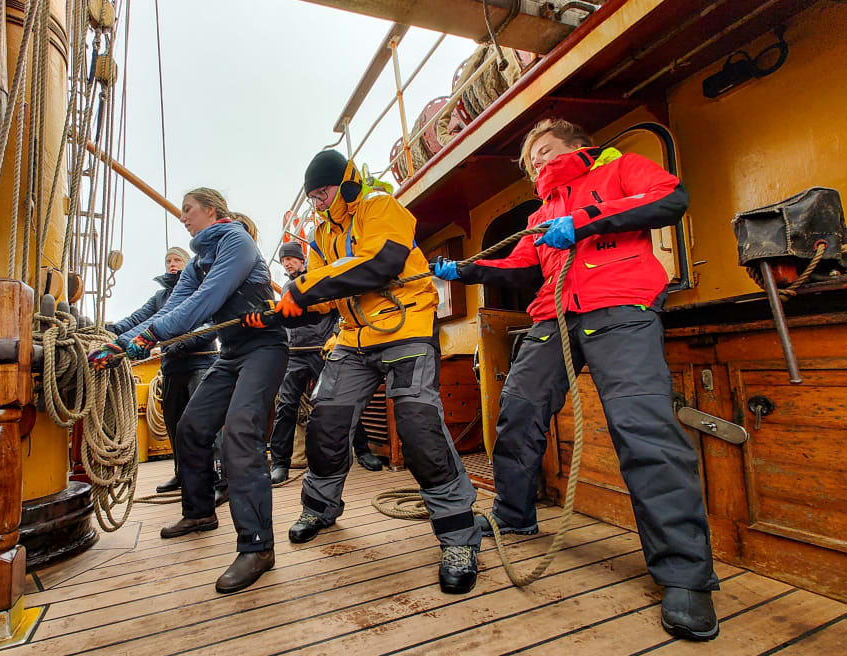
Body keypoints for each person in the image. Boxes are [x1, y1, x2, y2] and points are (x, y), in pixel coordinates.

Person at [432, 118, 719, 640]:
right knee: (516, 412)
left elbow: (670, 199)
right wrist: (465, 271)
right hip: (552, 316)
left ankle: (685, 575)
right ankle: (513, 514)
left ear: (576, 144)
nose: (537, 161)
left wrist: (586, 222)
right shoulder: (541, 214)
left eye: (543, 150)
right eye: (530, 159)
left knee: (643, 430)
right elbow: (518, 265)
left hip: (621, 308)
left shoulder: (620, 169)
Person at [249, 150, 481, 595]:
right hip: (354, 338)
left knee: (418, 429)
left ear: (347, 181)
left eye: (324, 192)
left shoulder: (380, 207)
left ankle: (458, 536)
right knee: (326, 425)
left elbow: (382, 262)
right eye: (313, 196)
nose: (318, 202)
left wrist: (303, 287)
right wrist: (279, 314)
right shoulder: (320, 234)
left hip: (407, 327)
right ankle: (320, 507)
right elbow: (321, 297)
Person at [90, 188, 287, 594]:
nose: (182, 217)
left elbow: (206, 300)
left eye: (188, 210)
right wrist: (121, 341)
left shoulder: (236, 241)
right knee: (192, 429)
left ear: (211, 211)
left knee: (240, 435)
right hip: (231, 354)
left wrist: (151, 336)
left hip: (265, 348)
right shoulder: (198, 261)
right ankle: (199, 513)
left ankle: (258, 547)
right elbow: (169, 309)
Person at [106, 248, 220, 498]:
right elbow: (140, 318)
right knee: (175, 424)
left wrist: (181, 343)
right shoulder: (160, 298)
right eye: (168, 260)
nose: (172, 264)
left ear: (188, 264)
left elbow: (211, 325)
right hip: (172, 367)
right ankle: (183, 473)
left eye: (177, 259)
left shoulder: (200, 291)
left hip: (200, 365)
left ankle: (217, 475)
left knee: (204, 425)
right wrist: (113, 332)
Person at [268, 241, 384, 484]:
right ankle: (280, 463)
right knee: (286, 406)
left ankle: (362, 451)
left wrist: (333, 336)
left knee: (339, 400)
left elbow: (336, 312)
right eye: (284, 260)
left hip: (322, 350)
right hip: (294, 353)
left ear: (301, 260)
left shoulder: (320, 279)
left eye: (291, 258)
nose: (287, 263)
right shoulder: (288, 287)